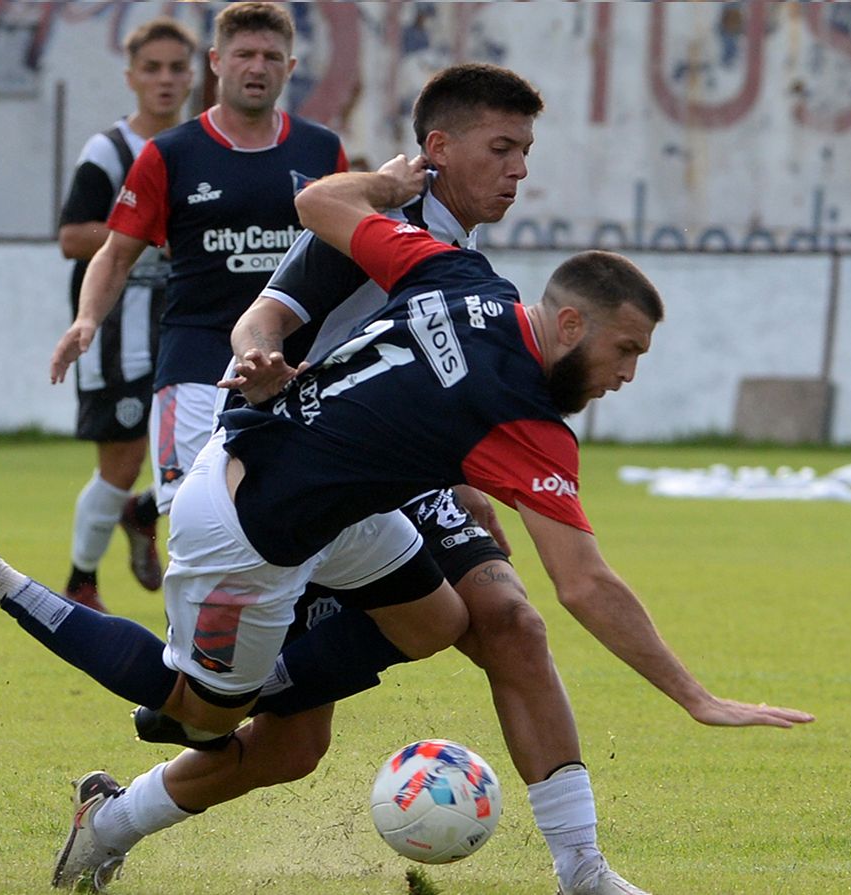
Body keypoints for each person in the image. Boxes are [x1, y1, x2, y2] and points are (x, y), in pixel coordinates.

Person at [0, 156, 810, 891]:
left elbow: (317, 201)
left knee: (449, 619)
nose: (628, 374)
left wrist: (384, 186)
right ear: (571, 322)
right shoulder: (521, 420)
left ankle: (581, 872)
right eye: (625, 351)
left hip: (344, 509)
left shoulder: (463, 274)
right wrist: (696, 696)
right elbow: (588, 582)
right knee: (194, 716)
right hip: (245, 528)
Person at [217, 62, 660, 894]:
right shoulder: (380, 215)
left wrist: (464, 480)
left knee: (512, 622)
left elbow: (439, 388)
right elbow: (268, 312)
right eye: (502, 148)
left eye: (525, 150)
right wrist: (256, 354)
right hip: (297, 461)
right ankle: (121, 809)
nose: (519, 168)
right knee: (290, 747)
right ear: (438, 149)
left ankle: (583, 870)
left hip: (397, 479)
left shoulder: (462, 248)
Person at [49, 1, 347, 537]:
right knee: (196, 521)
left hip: (296, 363)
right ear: (215, 62)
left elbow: (352, 250)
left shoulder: (321, 150)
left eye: (271, 56)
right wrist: (87, 319)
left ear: (291, 67)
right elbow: (115, 253)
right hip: (195, 365)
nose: (257, 67)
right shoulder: (170, 153)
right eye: (244, 55)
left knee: (295, 523)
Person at [55, 17, 197, 612]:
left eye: (176, 68)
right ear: (132, 77)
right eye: (153, 68)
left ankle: (145, 513)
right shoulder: (109, 151)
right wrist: (147, 236)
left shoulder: (201, 148)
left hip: (190, 321)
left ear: (195, 75)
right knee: (122, 457)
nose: (165, 80)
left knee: (202, 451)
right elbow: (72, 237)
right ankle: (80, 582)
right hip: (118, 327)